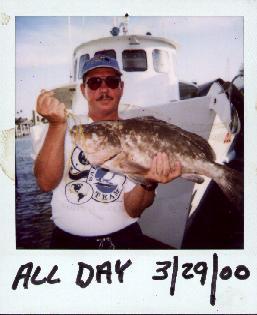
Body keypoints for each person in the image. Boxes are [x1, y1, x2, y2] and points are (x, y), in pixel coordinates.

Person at [34, 55, 182, 249]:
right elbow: (45, 183)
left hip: (124, 239)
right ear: (83, 89)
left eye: (111, 82)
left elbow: (132, 211)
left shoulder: (136, 137)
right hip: (67, 243)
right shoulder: (63, 125)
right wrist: (56, 125)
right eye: (94, 83)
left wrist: (149, 182)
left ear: (121, 87)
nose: (104, 89)